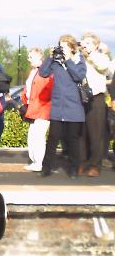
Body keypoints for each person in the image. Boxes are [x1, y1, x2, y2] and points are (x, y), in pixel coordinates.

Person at [39, 35, 87, 179]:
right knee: (52, 138)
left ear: (72, 48)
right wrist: (50, 57)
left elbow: (79, 76)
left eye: (65, 46)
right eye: (60, 46)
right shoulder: (55, 61)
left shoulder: (78, 60)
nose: (62, 49)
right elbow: (43, 73)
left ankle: (74, 168)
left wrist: (67, 61)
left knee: (72, 139)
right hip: (58, 107)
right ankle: (46, 168)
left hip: (74, 107)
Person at [78, 33, 110, 177]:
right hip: (81, 98)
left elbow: (103, 67)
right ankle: (82, 162)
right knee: (81, 133)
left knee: (96, 134)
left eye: (89, 43)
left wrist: (91, 54)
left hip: (96, 98)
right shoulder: (80, 58)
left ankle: (95, 165)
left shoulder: (101, 57)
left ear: (96, 45)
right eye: (84, 43)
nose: (86, 46)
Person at [21, 48, 53, 172]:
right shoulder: (33, 71)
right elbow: (28, 90)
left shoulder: (46, 71)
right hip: (33, 108)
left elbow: (47, 90)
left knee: (38, 136)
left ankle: (39, 162)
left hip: (43, 109)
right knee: (32, 136)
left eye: (31, 56)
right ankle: (35, 161)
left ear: (40, 57)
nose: (29, 59)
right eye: (29, 56)